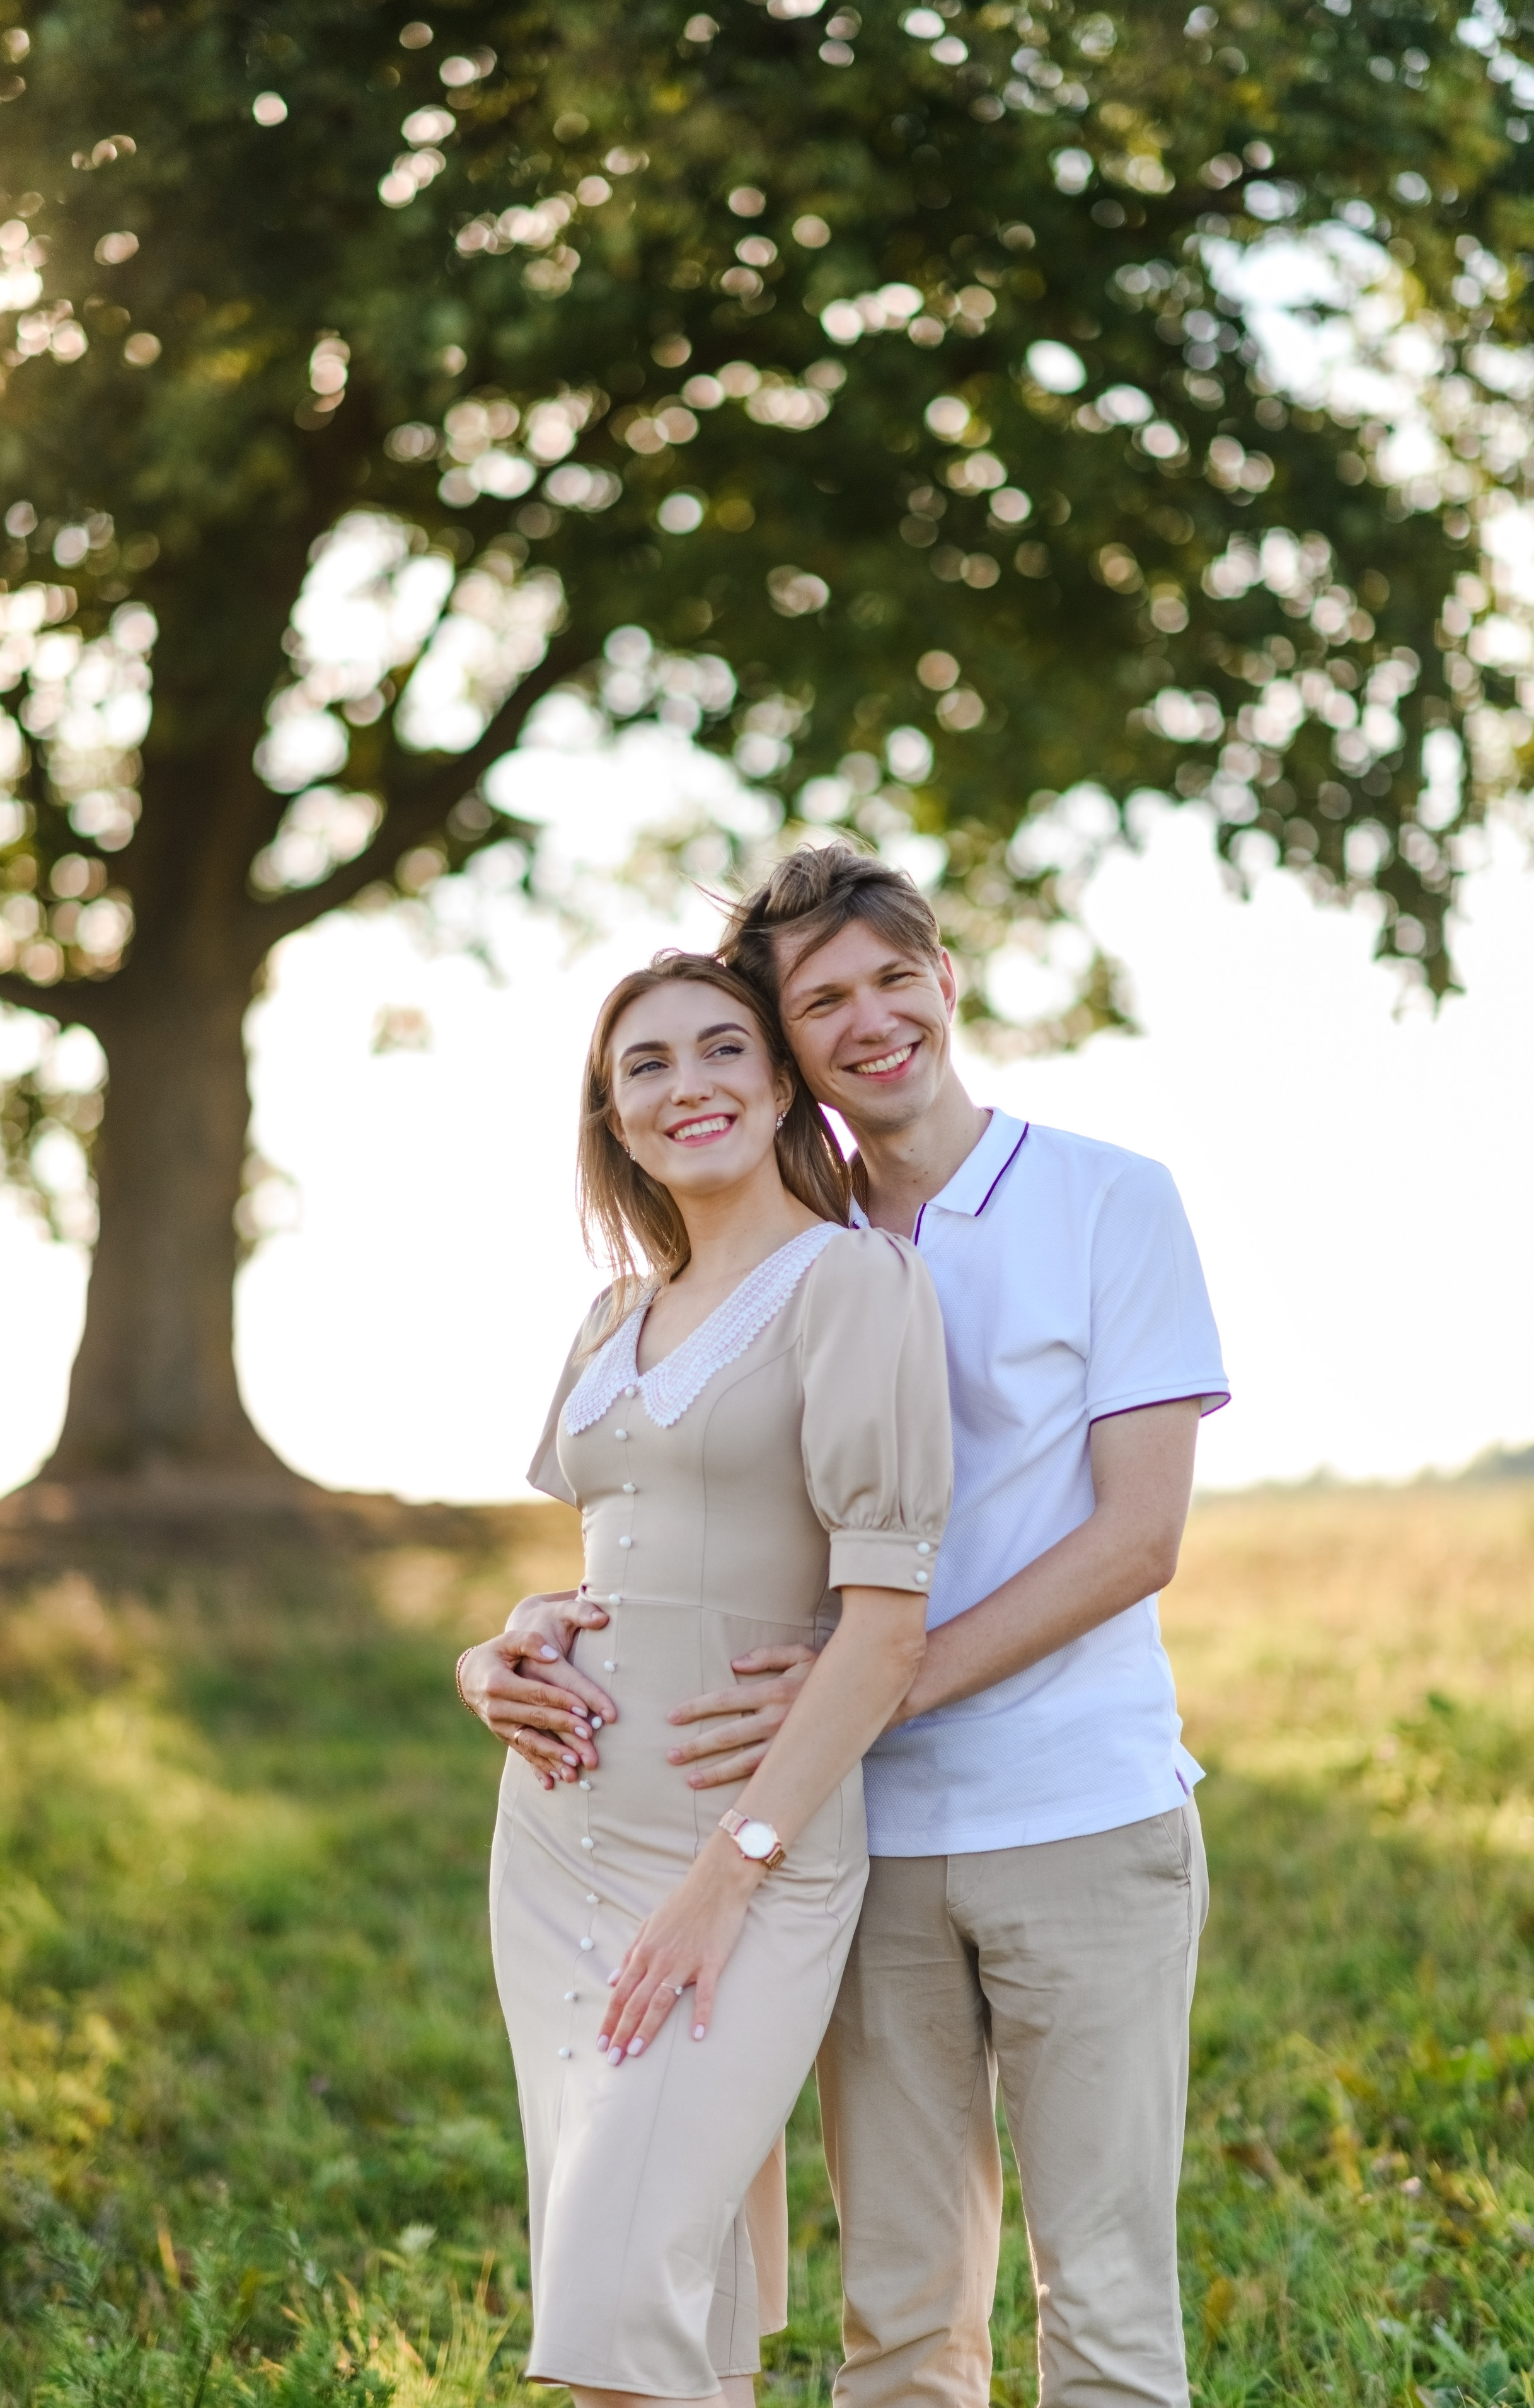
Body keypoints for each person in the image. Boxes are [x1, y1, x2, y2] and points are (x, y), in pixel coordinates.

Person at [468, 849, 1230, 2408]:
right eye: (822, 1002)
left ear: (945, 979)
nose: (871, 1020)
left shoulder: (1105, 1198)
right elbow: (688, 1519)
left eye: (894, 978)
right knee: (896, 2313)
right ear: (790, 1050)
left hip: (1076, 1812)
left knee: (1101, 2300)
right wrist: (523, 1634)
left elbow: (1136, 1539)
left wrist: (875, 1682)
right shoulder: (777, 1258)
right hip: (864, 1828)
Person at [463, 947, 953, 2408]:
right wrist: (495, 1649)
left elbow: (884, 1630)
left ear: (782, 1083)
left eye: (722, 1048)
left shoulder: (852, 1284)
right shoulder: (611, 1315)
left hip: (745, 1851)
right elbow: (609, 1567)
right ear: (612, 1119)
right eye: (646, 1065)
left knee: (615, 2304)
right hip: (556, 1847)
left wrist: (727, 1873)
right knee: (668, 2308)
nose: (689, 1086)